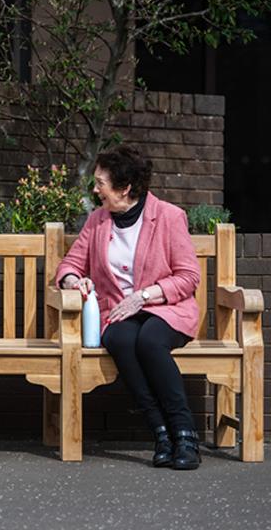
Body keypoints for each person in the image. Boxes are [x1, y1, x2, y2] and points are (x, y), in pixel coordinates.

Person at [55, 146, 202, 470]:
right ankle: (161, 433)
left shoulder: (168, 216)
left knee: (150, 341)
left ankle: (184, 432)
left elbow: (189, 277)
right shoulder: (97, 221)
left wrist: (145, 296)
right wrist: (72, 282)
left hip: (166, 309)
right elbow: (70, 265)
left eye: (100, 183)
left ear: (124, 188)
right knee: (120, 340)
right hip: (118, 314)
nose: (95, 190)